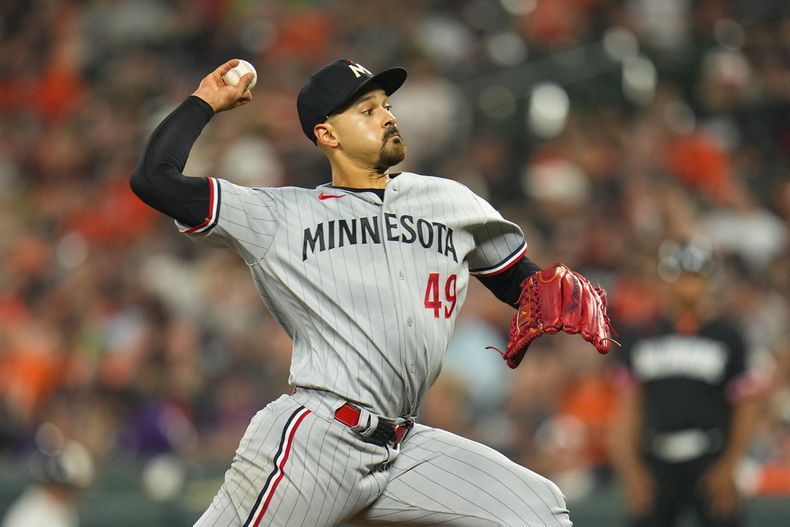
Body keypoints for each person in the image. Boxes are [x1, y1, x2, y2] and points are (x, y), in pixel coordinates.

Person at [131, 58, 581, 526]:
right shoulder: (280, 216)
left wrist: (554, 294)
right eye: (366, 110)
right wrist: (204, 102)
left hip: (402, 447)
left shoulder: (448, 201)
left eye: (386, 105)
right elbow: (154, 180)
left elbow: (517, 279)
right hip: (318, 440)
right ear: (328, 135)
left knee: (536, 509)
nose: (388, 116)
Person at [609, 240, 768, 527]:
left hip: (710, 457)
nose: (687, 285)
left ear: (708, 281)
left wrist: (729, 466)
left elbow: (746, 408)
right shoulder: (639, 335)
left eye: (695, 276)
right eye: (679, 276)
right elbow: (627, 408)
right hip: (655, 460)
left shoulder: (728, 336)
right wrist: (632, 471)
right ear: (662, 281)